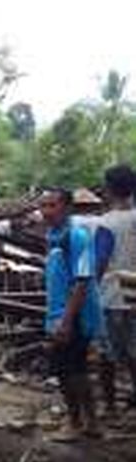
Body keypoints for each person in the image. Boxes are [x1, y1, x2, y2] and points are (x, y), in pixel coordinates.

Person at [39, 188, 102, 439]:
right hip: (58, 314)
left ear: (67, 208)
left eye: (52, 206)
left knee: (73, 369)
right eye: (43, 206)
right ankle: (80, 421)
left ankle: (83, 423)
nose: (46, 212)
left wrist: (66, 320)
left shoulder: (78, 237)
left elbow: (83, 280)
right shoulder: (53, 236)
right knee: (65, 369)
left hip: (75, 315)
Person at [97, 164, 136, 416]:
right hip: (134, 294)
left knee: (107, 355)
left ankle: (109, 406)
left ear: (109, 189)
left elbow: (99, 263)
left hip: (113, 296)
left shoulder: (106, 224)